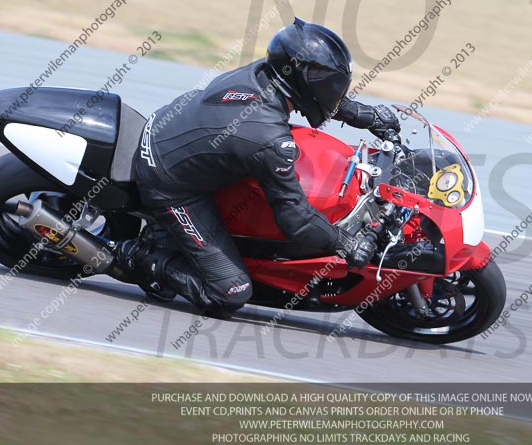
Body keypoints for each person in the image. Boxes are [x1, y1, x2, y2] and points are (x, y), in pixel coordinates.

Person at [117, 18, 401, 318]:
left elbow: (310, 92)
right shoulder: (266, 136)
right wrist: (347, 243)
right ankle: (134, 255)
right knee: (230, 291)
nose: (333, 89)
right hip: (167, 182)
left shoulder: (265, 72)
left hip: (170, 130)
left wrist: (364, 115)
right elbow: (296, 220)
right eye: (326, 82)